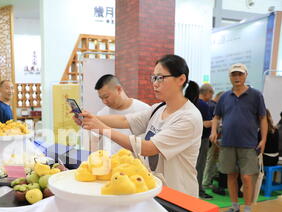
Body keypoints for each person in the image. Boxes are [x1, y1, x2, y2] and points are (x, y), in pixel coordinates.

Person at [78, 54, 203, 197]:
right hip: (155, 188)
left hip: (179, 193)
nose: (155, 83)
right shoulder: (158, 109)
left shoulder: (188, 118)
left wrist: (103, 129)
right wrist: (90, 118)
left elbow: (148, 148)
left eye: (160, 78)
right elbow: (125, 121)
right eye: (154, 77)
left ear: (181, 79)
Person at [210, 63, 267, 212]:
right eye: (234, 75)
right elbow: (216, 116)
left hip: (249, 144)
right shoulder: (224, 97)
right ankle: (235, 206)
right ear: (230, 77)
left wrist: (263, 139)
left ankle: (247, 209)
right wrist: (214, 131)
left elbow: (263, 118)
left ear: (245, 75)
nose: (237, 77)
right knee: (231, 175)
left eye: (240, 74)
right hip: (227, 143)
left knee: (248, 177)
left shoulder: (256, 95)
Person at [93, 74, 150, 153]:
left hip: (135, 163)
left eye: (106, 97)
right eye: (101, 98)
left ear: (119, 89)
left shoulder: (144, 110)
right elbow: (93, 141)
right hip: (109, 162)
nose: (104, 102)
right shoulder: (102, 113)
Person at [195, 96, 213, 199]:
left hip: (190, 139)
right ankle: (199, 190)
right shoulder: (203, 105)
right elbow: (206, 124)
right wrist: (215, 122)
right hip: (202, 139)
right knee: (200, 165)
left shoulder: (186, 103)